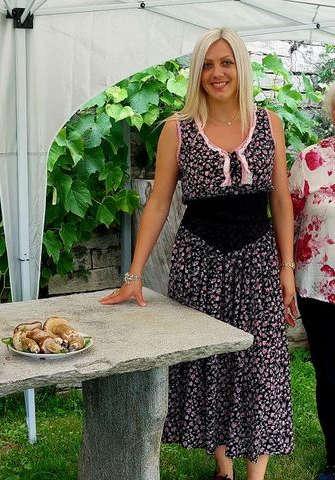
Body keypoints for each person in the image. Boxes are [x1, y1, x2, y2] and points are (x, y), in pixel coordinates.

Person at [100, 27, 297, 480]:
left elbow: (281, 201)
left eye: (226, 62)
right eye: (207, 64)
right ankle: (223, 469)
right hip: (200, 261)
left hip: (258, 260)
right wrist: (133, 276)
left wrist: (286, 267)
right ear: (196, 72)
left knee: (260, 361)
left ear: (241, 67)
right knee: (212, 362)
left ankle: (256, 475)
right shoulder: (177, 128)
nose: (217, 73)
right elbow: (159, 202)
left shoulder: (269, 123)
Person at [289, 83, 335, 480]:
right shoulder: (311, 159)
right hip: (319, 286)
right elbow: (286, 218)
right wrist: (283, 271)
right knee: (331, 372)